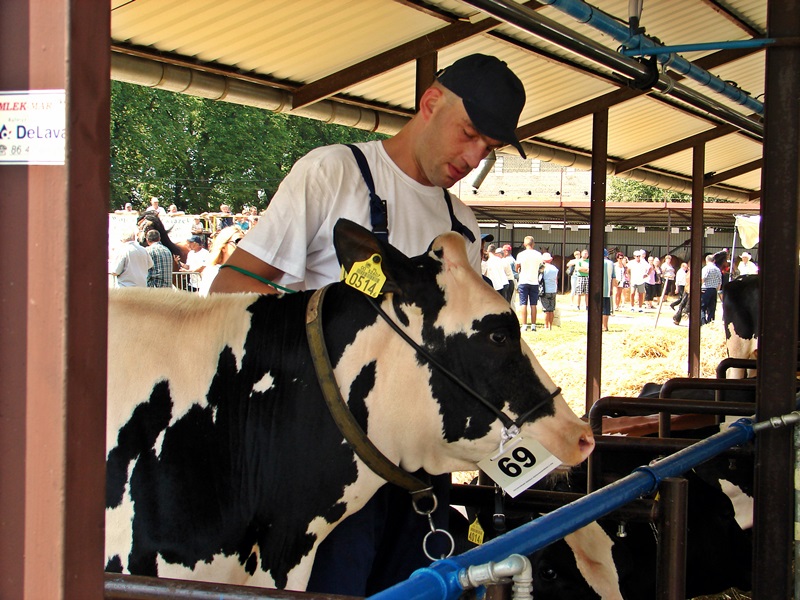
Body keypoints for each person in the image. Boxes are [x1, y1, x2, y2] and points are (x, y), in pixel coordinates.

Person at [209, 53, 527, 596]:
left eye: (489, 149)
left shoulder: (462, 228)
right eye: (469, 134)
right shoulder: (334, 173)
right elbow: (229, 290)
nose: (473, 158)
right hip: (325, 465)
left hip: (419, 472)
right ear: (430, 103)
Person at [516, 235, 543, 331]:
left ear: (524, 244)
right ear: (533, 244)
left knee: (523, 304)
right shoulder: (538, 254)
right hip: (534, 281)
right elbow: (542, 266)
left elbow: (517, 267)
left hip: (523, 280)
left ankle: (524, 325)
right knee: (533, 304)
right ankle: (533, 325)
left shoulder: (521, 254)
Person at [700, 253, 723, 325]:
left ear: (706, 260)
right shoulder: (717, 269)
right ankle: (710, 322)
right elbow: (720, 282)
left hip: (705, 289)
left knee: (702, 307)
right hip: (714, 290)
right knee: (712, 308)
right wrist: (717, 290)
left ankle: (703, 322)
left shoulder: (706, 268)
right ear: (714, 261)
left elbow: (703, 278)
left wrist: (700, 287)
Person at [540, 252, 559, 330]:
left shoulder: (542, 268)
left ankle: (546, 325)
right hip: (553, 289)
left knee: (546, 309)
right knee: (551, 309)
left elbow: (539, 279)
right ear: (550, 260)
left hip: (545, 290)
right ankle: (550, 325)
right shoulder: (555, 268)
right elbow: (556, 280)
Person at [601, 249, 616, 332]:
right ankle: (605, 326)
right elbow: (613, 277)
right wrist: (612, 288)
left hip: (596, 290)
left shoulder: (594, 262)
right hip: (607, 289)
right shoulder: (611, 263)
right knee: (606, 309)